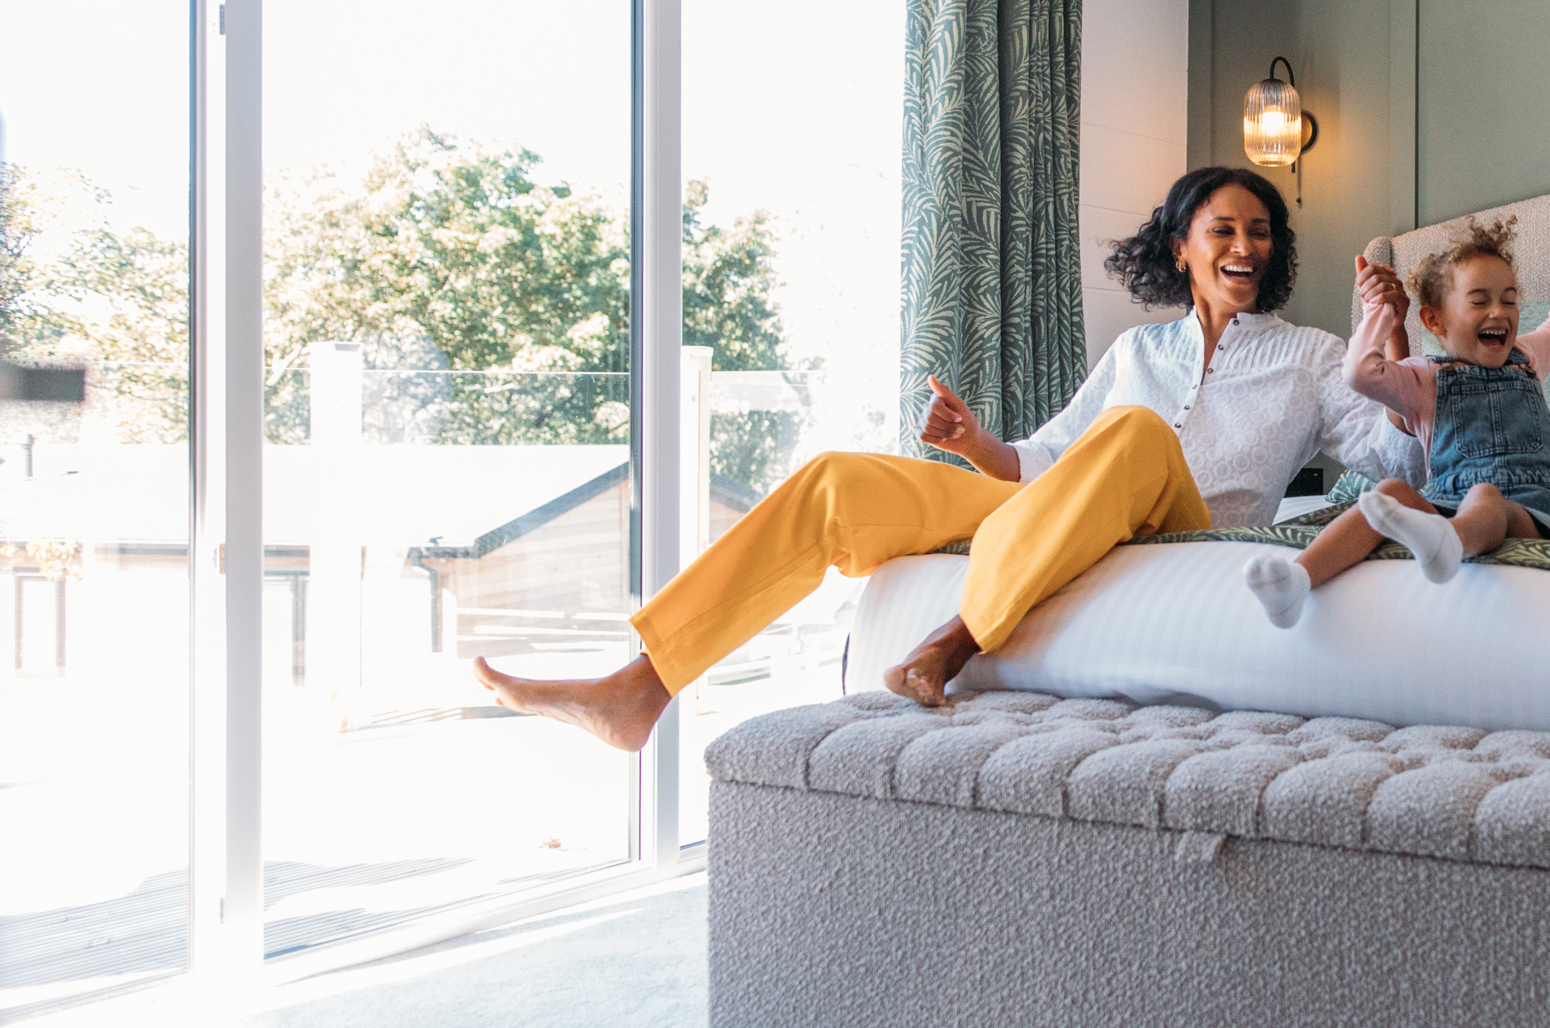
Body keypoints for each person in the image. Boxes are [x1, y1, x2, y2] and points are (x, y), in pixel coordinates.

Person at [474, 167, 1414, 748]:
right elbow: (1042, 459)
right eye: (1225, 229)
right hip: (1077, 512)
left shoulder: (1312, 355)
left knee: (1133, 436)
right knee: (841, 480)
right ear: (1183, 246)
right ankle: (642, 685)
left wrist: (1392, 333)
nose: (1246, 245)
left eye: (1260, 233)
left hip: (1183, 531)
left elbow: (1390, 441)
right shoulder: (1139, 352)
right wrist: (977, 446)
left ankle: (952, 641)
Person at [1242, 217, 1550, 627]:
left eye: (1509, 300)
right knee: (1390, 492)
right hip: (1445, 501)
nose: (1499, 311)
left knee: (1486, 497)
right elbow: (1359, 372)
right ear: (1434, 322)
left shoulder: (1527, 358)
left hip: (1537, 516)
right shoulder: (1423, 378)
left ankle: (1451, 543)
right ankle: (1297, 581)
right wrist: (1379, 314)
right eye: (1479, 301)